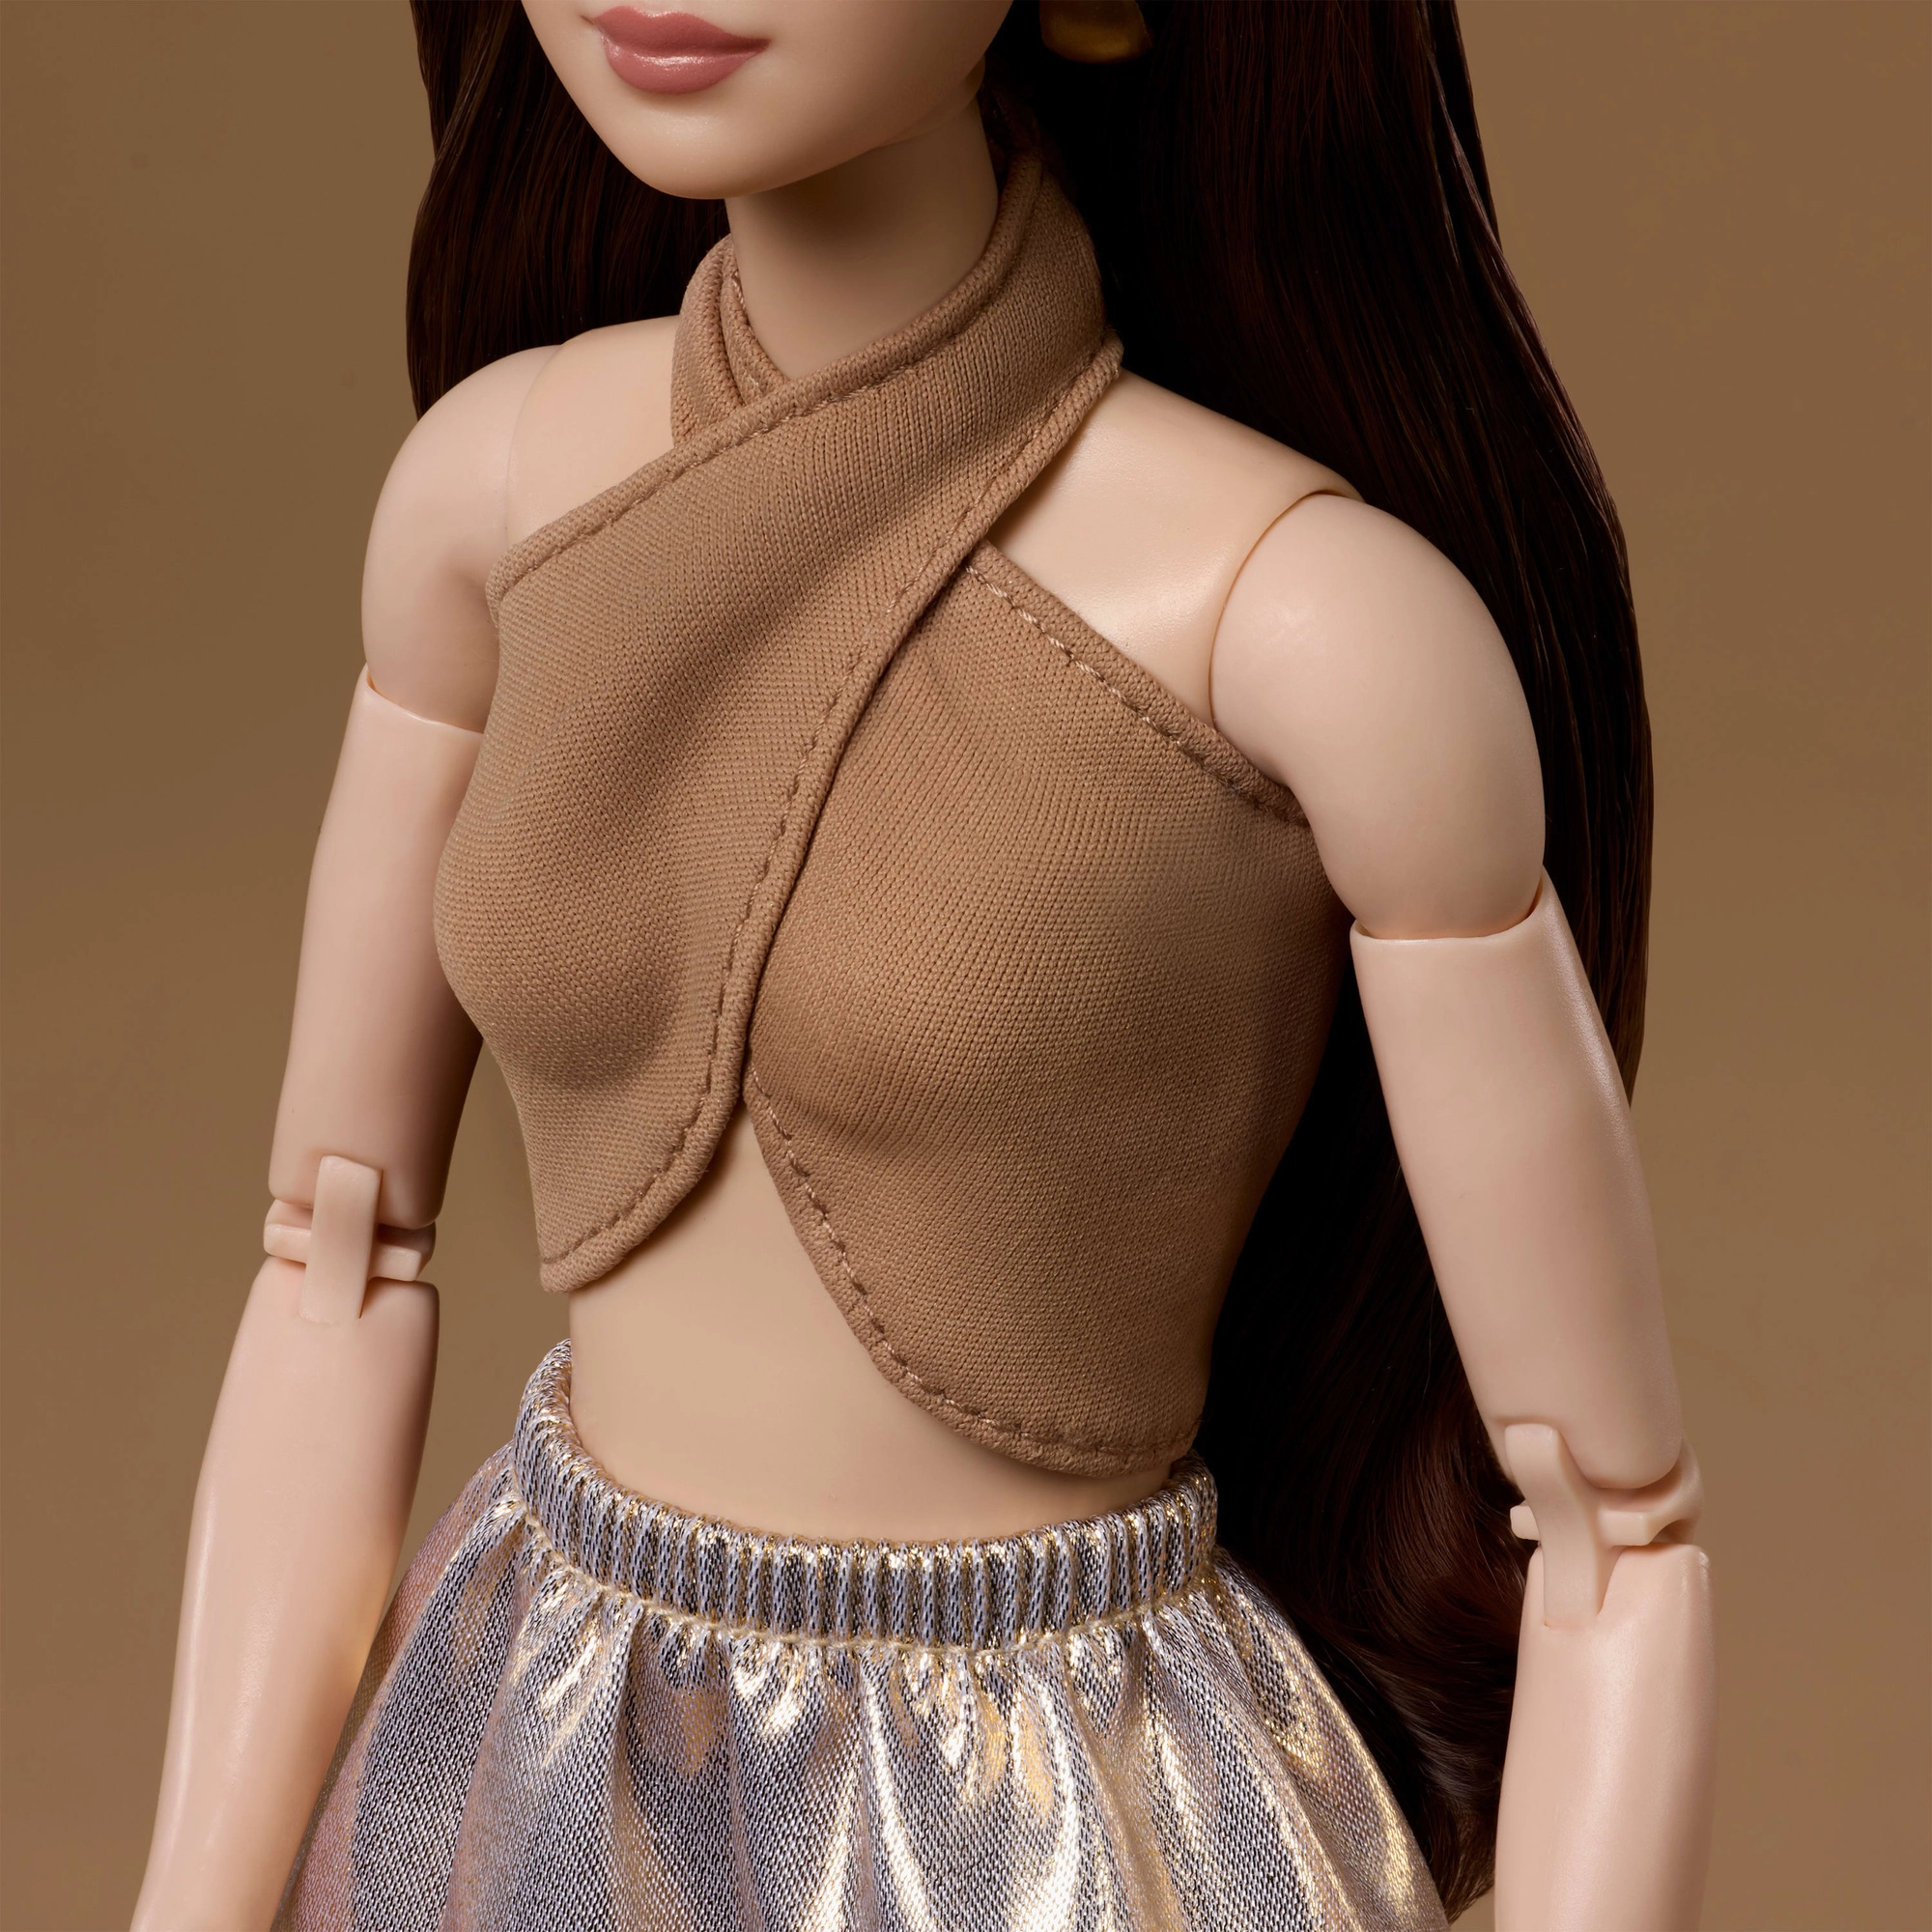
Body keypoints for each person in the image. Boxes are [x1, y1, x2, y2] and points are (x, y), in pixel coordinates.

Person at [133, 4, 1716, 1927]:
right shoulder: (488, 495)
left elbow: (1616, 1528)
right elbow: (333, 1257)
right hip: (541, 1745)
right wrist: (192, 1894)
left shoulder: (1300, 626)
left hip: (1044, 1815)